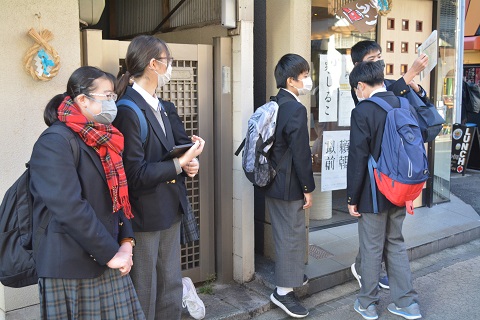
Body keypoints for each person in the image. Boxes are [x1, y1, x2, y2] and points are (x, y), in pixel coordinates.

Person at [29, 66, 145, 319]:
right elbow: (68, 206)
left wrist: (126, 243)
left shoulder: (104, 138)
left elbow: (118, 197)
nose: (113, 103)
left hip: (107, 255)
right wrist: (110, 253)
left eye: (114, 96)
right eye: (107, 96)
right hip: (70, 264)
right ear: (82, 99)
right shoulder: (54, 141)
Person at [113, 35, 205, 320]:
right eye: (168, 60)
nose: (170, 66)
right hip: (143, 215)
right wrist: (180, 164)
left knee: (170, 283)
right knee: (145, 287)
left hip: (169, 207)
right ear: (154, 64)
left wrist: (191, 164)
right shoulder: (128, 110)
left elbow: (172, 153)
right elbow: (135, 175)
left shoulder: (160, 105)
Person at [349, 40, 429, 290]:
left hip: (393, 175)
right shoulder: (361, 92)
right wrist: (410, 75)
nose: (380, 63)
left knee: (379, 239)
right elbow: (386, 99)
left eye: (380, 57)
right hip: (380, 177)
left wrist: (416, 87)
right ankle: (396, 294)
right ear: (359, 66)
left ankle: (368, 290)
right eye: (373, 59)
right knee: (384, 239)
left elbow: (423, 113)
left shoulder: (388, 89)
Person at [264, 53, 315, 318]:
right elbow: (300, 153)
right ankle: (283, 291)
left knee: (287, 233)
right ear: (291, 80)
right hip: (288, 185)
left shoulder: (275, 104)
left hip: (273, 181)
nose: (308, 80)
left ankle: (292, 273)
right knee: (291, 235)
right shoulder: (295, 108)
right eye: (305, 76)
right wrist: (308, 188)